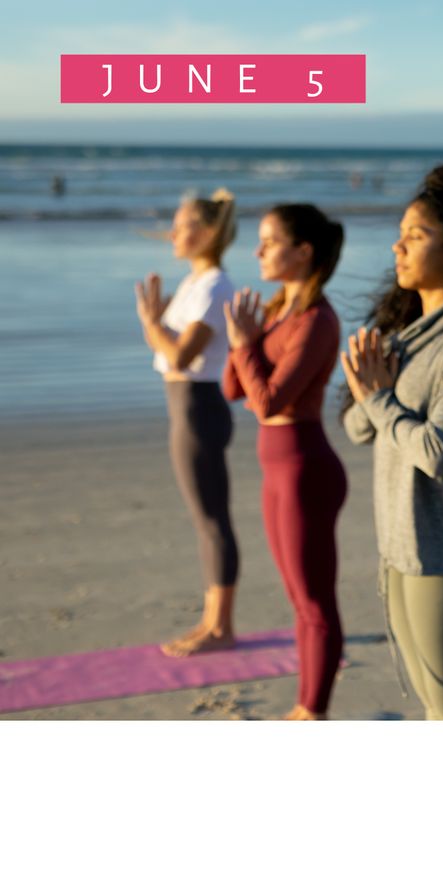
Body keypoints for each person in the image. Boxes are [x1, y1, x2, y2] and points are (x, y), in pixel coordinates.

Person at [339, 165, 443, 720]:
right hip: (403, 546)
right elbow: (358, 429)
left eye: (416, 235)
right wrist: (370, 391)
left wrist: (380, 398)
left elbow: (439, 453)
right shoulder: (409, 333)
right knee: (434, 707)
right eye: (401, 232)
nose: (399, 245)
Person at [223, 204, 347, 721]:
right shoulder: (277, 311)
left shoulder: (318, 319)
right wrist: (246, 343)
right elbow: (235, 388)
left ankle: (312, 711)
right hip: (275, 468)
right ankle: (306, 705)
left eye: (270, 241)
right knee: (297, 598)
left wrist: (245, 346)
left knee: (315, 601)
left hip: (304, 469)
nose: (258, 251)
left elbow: (270, 401)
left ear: (303, 252)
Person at [135, 189, 240, 657]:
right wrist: (155, 324)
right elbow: (165, 348)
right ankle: (212, 621)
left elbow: (179, 353)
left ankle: (221, 628)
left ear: (208, 232)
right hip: (182, 405)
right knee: (206, 521)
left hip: (199, 408)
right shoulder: (196, 283)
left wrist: (151, 322)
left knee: (212, 520)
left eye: (182, 224)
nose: (173, 233)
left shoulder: (216, 284)